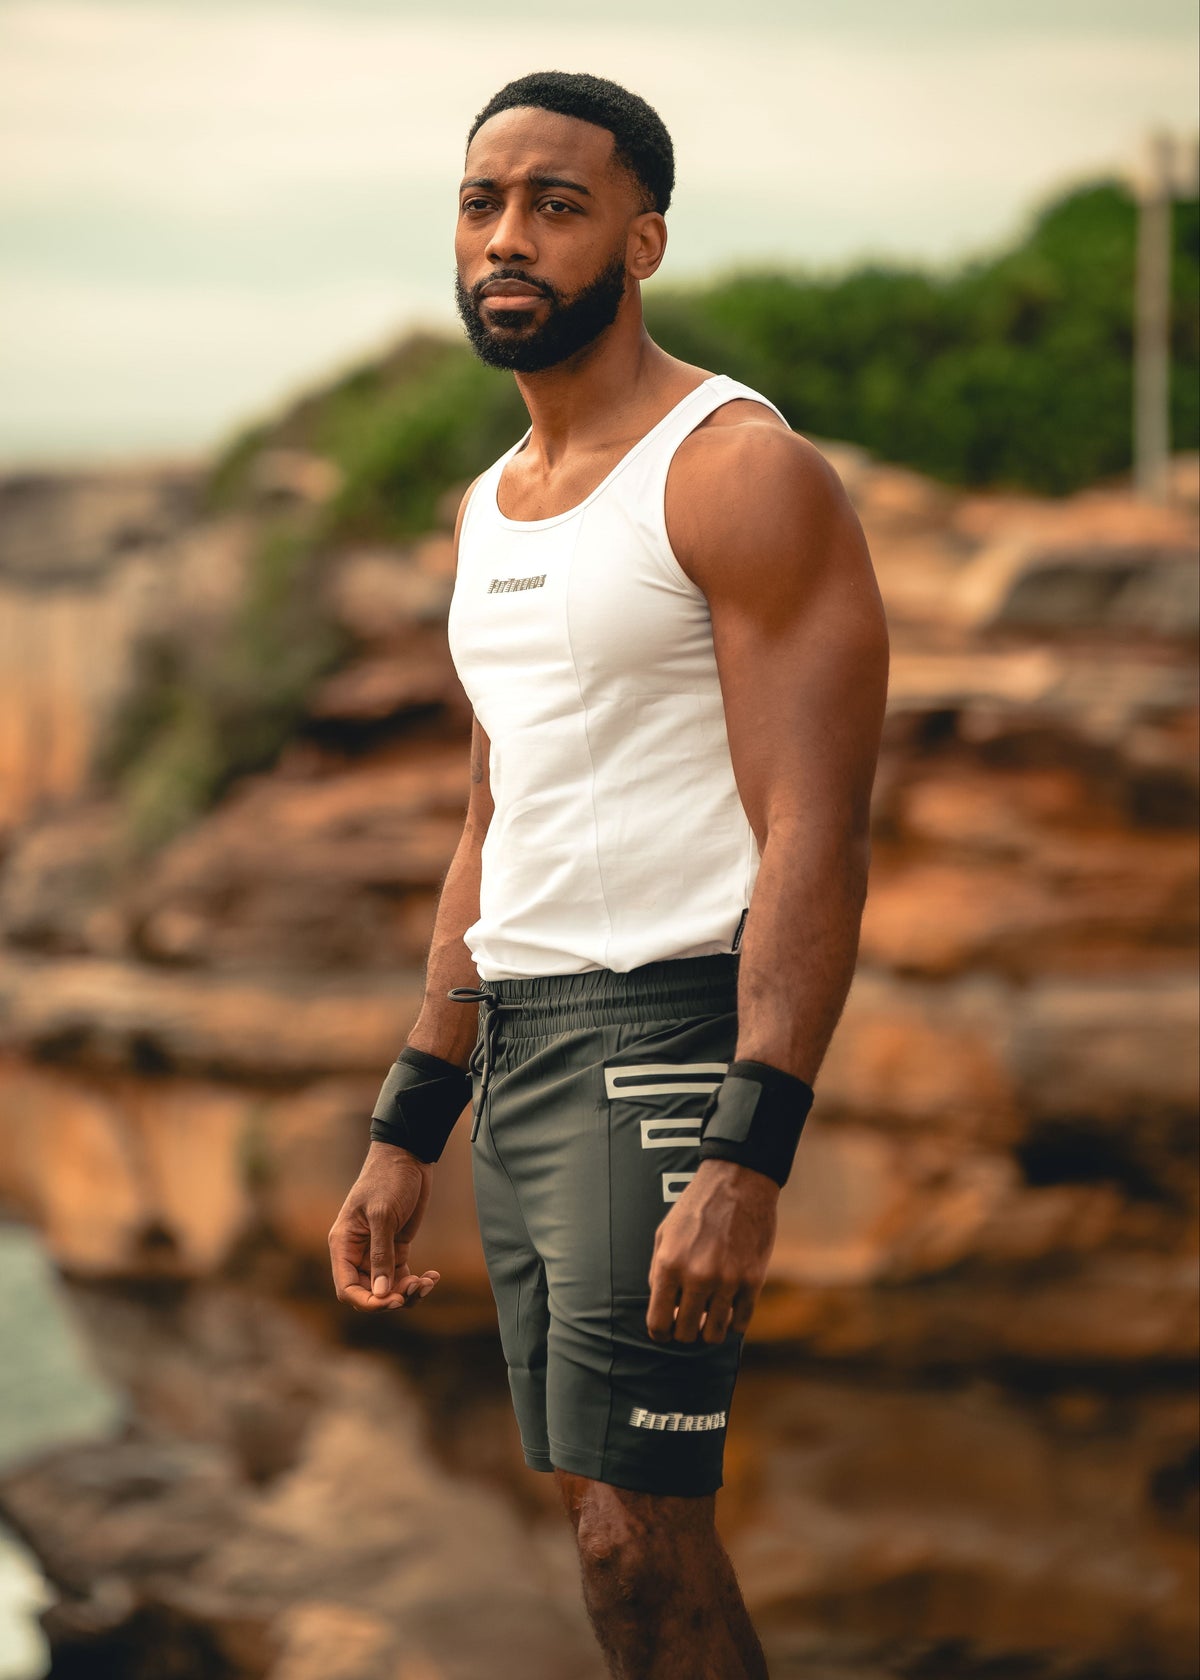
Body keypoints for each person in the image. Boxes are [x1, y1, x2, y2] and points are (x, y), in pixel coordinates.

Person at [329, 69, 889, 1680]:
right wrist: (408, 1122)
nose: (507, 237)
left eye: (555, 206)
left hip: (664, 1040)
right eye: (482, 202)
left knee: (633, 1537)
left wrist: (746, 1156)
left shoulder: (733, 471)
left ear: (640, 241)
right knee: (608, 1516)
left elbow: (816, 827)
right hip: (522, 1048)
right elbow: (493, 820)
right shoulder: (490, 506)